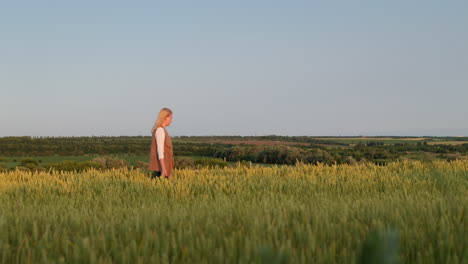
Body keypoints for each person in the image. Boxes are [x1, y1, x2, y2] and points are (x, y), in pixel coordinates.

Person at [149, 108, 174, 179]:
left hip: (164, 167)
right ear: (165, 118)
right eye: (170, 118)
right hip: (162, 169)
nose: (171, 120)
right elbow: (160, 151)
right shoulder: (160, 130)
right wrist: (163, 169)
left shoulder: (161, 130)